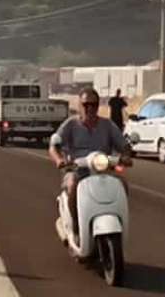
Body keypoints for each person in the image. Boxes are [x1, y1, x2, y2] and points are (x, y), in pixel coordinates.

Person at [49, 87, 132, 243]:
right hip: (77, 169)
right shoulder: (71, 124)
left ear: (98, 105)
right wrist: (60, 160)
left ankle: (118, 220)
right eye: (86, 105)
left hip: (103, 170)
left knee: (122, 183)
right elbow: (54, 146)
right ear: (80, 105)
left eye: (93, 105)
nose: (90, 108)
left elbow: (124, 146)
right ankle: (76, 227)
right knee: (72, 184)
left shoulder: (107, 125)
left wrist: (126, 156)